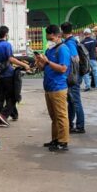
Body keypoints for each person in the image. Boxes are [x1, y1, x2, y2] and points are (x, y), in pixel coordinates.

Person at [35, 24, 71, 152]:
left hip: (58, 87)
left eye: (50, 39)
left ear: (57, 36)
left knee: (61, 116)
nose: (49, 41)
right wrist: (39, 61)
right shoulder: (49, 50)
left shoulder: (63, 49)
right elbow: (43, 68)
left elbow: (63, 68)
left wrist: (48, 62)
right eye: (47, 39)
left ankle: (63, 142)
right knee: (54, 116)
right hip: (49, 87)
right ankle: (55, 139)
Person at [0, 25, 30, 126]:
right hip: (8, 75)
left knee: (0, 98)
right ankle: (3, 116)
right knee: (13, 96)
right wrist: (24, 65)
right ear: (6, 34)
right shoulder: (7, 45)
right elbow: (11, 59)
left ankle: (0, 117)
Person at [61, 22, 86, 134]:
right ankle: (70, 124)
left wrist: (70, 75)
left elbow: (75, 59)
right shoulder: (72, 40)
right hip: (75, 76)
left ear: (62, 31)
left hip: (73, 77)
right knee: (71, 101)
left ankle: (80, 126)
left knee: (75, 101)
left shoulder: (70, 43)